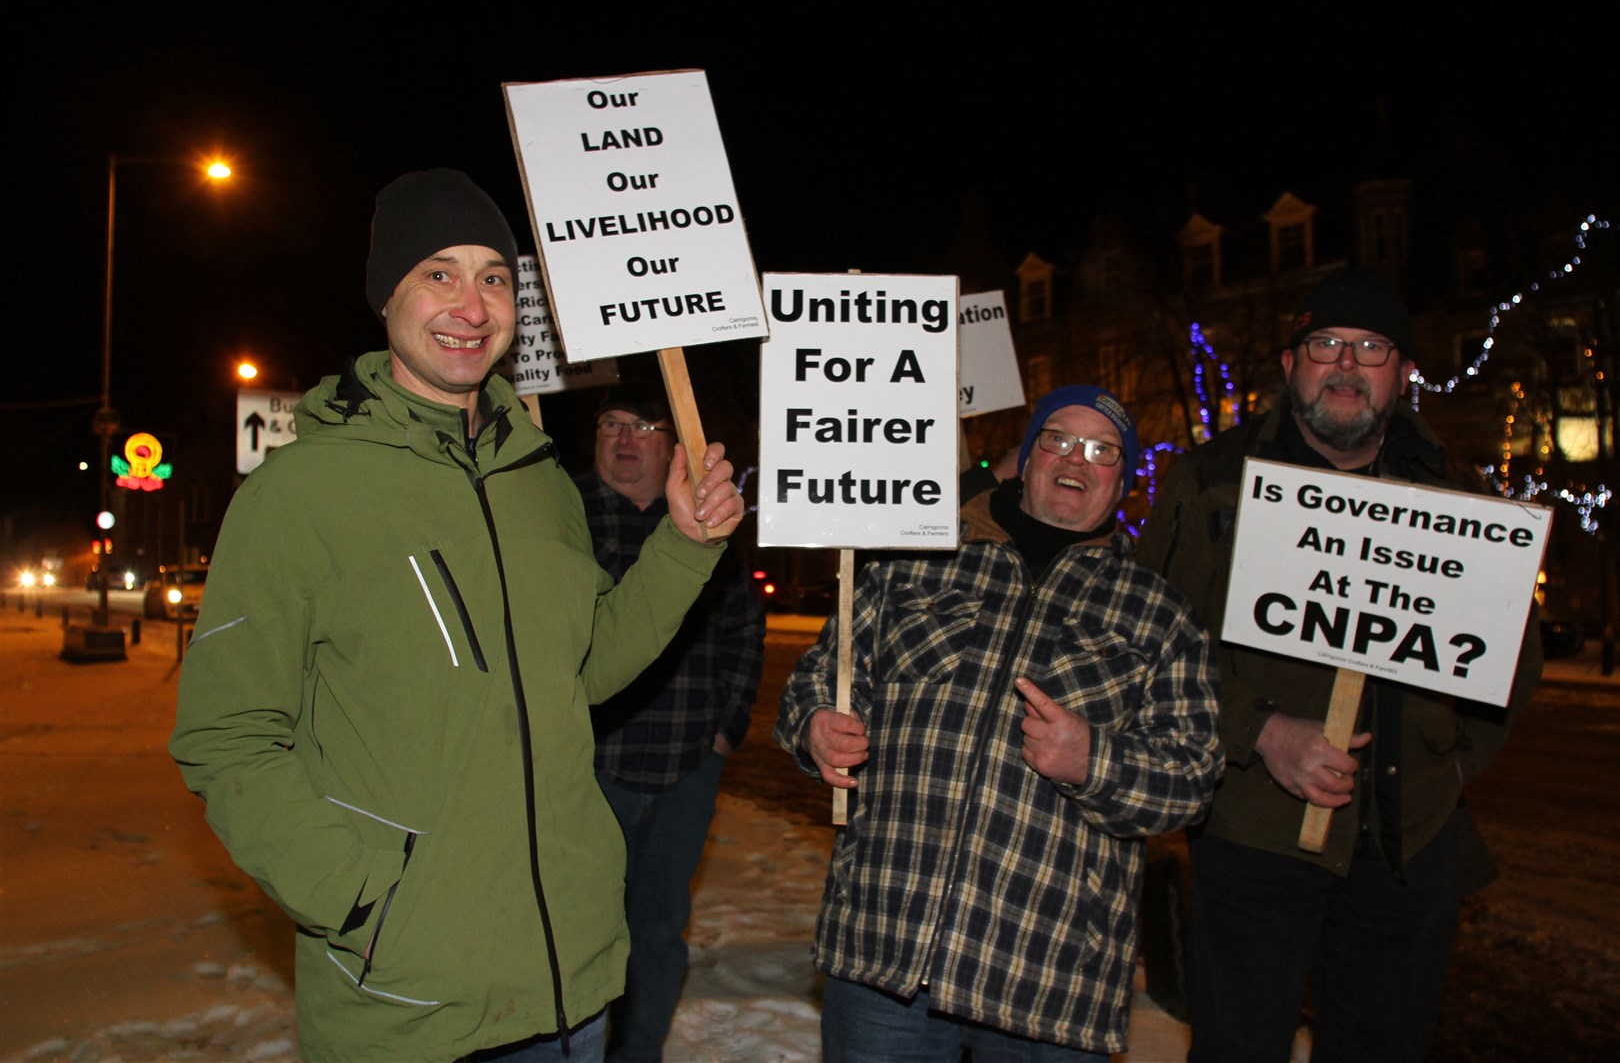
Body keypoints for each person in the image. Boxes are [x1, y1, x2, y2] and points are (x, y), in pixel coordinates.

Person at [170, 169, 743, 1063]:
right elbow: (227, 734)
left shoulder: (539, 480)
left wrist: (682, 546)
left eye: (494, 278)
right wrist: (357, 897)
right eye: (438, 273)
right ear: (387, 296)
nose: (471, 306)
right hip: (408, 999)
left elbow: (584, 672)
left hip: (572, 982)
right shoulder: (302, 493)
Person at [1136, 267, 1542, 1062]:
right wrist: (1256, 732)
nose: (1347, 365)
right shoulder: (1214, 482)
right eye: (1325, 345)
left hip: (1406, 843)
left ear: (1403, 374)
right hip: (1255, 833)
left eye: (1372, 348)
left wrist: (1452, 766)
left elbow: (1510, 655)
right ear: (1290, 366)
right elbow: (1156, 646)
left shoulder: (1460, 495)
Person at [776, 386, 1224, 1061]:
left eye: (1103, 451)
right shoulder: (918, 563)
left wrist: (1092, 762)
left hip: (1047, 980)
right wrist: (815, 723)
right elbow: (821, 673)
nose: (1078, 459)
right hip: (885, 953)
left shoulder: (1158, 615)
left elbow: (1192, 776)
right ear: (1027, 455)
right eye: (1060, 439)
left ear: (1123, 482)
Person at [574, 381, 766, 1062]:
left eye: (644, 427)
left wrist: (726, 728)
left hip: (685, 768)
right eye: (612, 425)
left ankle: (637, 1053)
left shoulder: (706, 525)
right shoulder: (559, 517)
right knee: (578, 931)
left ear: (672, 445)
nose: (625, 441)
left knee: (656, 929)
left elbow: (745, 628)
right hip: (588, 773)